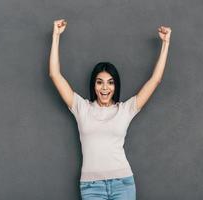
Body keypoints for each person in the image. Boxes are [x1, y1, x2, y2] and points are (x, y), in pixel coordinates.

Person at [49, 19, 171, 200]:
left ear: (116, 86)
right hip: (91, 187)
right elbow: (55, 74)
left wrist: (165, 43)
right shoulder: (81, 107)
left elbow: (155, 80)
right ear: (94, 85)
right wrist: (55, 36)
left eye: (110, 82)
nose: (105, 88)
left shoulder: (126, 109)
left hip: (123, 183)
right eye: (100, 82)